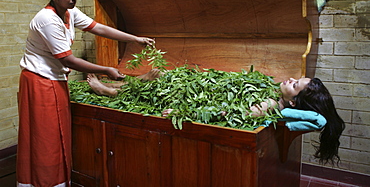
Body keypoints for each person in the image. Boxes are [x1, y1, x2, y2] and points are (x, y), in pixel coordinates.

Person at [17, 0, 154, 187]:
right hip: (39, 82)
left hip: (55, 80)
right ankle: (43, 182)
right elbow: (68, 60)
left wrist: (134, 38)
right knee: (45, 138)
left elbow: (98, 27)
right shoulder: (47, 19)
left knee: (56, 133)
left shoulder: (70, 12)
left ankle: (59, 181)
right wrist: (107, 70)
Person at [86, 73, 345, 166]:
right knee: (157, 77)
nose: (289, 80)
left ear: (292, 102)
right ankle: (116, 84)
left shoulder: (269, 104)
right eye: (295, 78)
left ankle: (108, 90)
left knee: (154, 89)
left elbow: (227, 113)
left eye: (295, 85)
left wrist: (184, 113)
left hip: (194, 102)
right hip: (201, 88)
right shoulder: (269, 88)